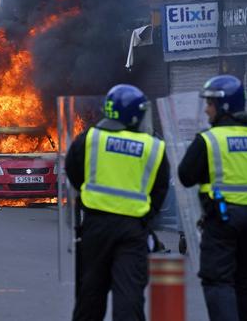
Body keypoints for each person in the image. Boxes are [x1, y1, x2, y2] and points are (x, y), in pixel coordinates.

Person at [66, 84, 170, 321]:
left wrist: (87, 197)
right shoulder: (153, 147)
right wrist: (146, 215)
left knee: (90, 296)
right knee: (129, 297)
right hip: (133, 230)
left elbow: (73, 170)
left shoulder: (90, 139)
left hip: (96, 227)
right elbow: (160, 187)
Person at [178, 75, 247, 321]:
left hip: (223, 220)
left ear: (224, 106)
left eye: (210, 103)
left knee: (218, 281)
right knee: (246, 283)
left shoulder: (209, 140)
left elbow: (185, 176)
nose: (206, 109)